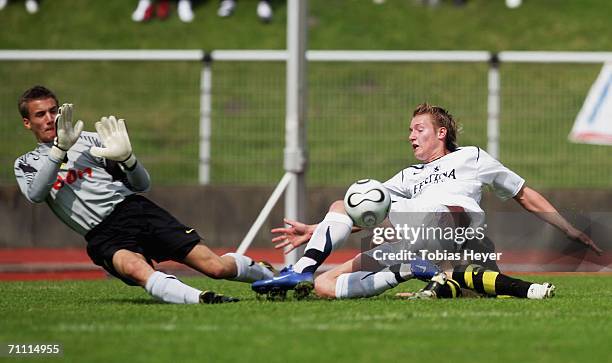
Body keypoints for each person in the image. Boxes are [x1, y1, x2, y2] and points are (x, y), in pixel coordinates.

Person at [253, 103, 602, 300]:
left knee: (341, 206)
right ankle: (408, 271)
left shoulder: (472, 158)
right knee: (325, 285)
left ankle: (299, 268)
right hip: (415, 241)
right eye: (409, 130)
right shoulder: (408, 177)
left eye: (417, 128)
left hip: (454, 224)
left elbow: (523, 194)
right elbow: (368, 212)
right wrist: (315, 231)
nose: (410, 136)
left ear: (441, 133)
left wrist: (568, 228)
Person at [14, 86, 275, 304]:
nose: (49, 118)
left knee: (215, 267)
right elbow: (36, 195)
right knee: (137, 269)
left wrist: (129, 160)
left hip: (135, 210)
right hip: (103, 234)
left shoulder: (92, 141)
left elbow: (142, 184)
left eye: (52, 111)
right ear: (28, 123)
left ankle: (272, 277)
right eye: (40, 114)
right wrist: (59, 150)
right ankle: (204, 299)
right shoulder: (27, 163)